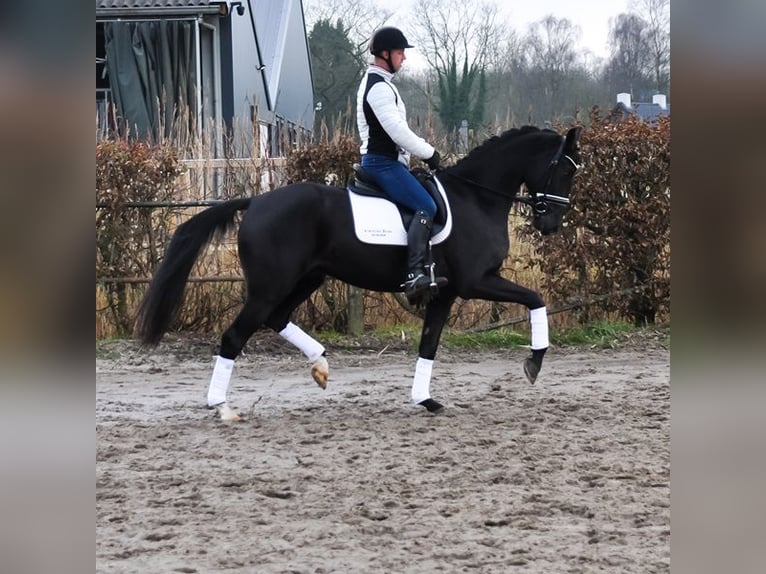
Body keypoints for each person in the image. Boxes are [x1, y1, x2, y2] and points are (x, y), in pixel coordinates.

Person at [356, 26, 446, 300]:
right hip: (382, 163)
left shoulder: (380, 83)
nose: (403, 58)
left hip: (386, 161)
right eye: (399, 52)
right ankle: (414, 274)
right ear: (385, 54)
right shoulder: (378, 88)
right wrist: (429, 153)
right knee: (425, 205)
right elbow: (397, 131)